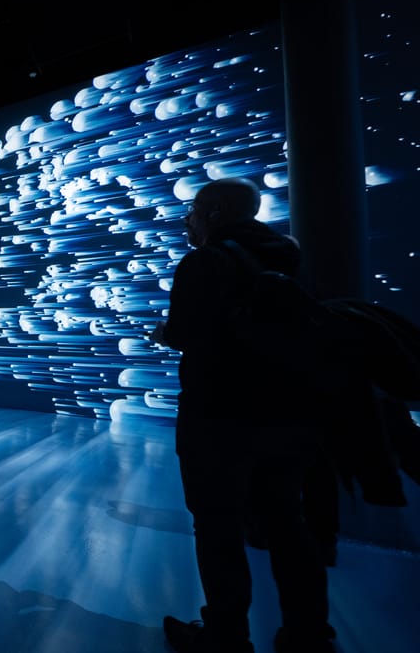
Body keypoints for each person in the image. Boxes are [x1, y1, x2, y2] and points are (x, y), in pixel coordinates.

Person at [152, 178, 334, 653]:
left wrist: (164, 332)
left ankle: (225, 637)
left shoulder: (205, 261)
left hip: (219, 416)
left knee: (217, 525)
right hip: (292, 413)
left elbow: (185, 333)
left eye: (191, 211)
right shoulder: (292, 255)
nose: (186, 221)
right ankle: (309, 635)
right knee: (288, 523)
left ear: (212, 213)